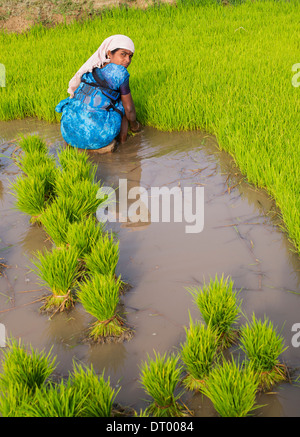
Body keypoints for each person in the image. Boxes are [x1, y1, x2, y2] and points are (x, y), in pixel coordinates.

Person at [55, 34, 141, 153]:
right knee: (123, 104)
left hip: (68, 132)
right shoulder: (120, 73)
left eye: (130, 56)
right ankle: (123, 144)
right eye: (123, 54)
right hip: (97, 138)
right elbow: (130, 109)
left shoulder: (91, 67)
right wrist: (135, 125)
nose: (127, 60)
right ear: (109, 53)